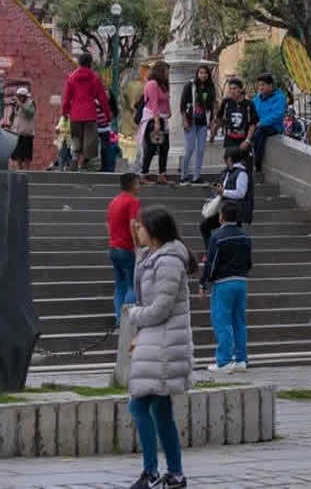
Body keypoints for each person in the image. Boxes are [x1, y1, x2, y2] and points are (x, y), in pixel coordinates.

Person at [125, 207, 194, 489]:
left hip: (165, 343)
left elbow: (161, 307)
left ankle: (153, 471)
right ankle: (173, 474)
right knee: (160, 408)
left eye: (141, 227)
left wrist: (134, 315)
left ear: (154, 231)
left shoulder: (168, 261)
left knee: (139, 404)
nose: (138, 231)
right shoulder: (153, 256)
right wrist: (139, 332)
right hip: (155, 339)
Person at [201, 200, 253, 374]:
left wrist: (203, 281)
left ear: (221, 217)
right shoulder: (245, 236)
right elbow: (249, 262)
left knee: (221, 321)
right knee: (239, 321)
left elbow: (211, 263)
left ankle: (223, 361)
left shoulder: (217, 237)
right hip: (241, 281)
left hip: (223, 283)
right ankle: (241, 360)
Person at [61, 53, 109, 168]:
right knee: (90, 141)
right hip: (90, 114)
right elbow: (102, 98)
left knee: (76, 137)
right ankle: (83, 160)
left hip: (75, 113)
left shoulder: (72, 78)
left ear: (79, 62)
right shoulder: (94, 78)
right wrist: (107, 115)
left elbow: (66, 98)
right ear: (90, 63)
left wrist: (65, 112)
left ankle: (76, 157)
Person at [201, 146, 254, 247]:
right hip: (226, 209)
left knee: (232, 237)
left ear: (229, 159)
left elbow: (241, 193)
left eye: (225, 159)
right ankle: (211, 251)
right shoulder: (228, 172)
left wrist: (223, 192)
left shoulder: (241, 173)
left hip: (235, 212)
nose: (224, 161)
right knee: (205, 226)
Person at [107, 171, 142, 322]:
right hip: (126, 248)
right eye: (138, 182)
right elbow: (132, 223)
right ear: (133, 184)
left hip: (113, 248)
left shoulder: (114, 201)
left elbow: (108, 224)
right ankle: (128, 320)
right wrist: (137, 246)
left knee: (119, 285)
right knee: (131, 285)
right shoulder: (132, 201)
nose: (139, 185)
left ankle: (118, 319)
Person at [178, 64, 216, 185]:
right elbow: (183, 104)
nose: (203, 75)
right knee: (189, 149)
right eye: (200, 73)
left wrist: (212, 121)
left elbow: (212, 105)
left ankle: (196, 176)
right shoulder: (190, 85)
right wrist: (184, 120)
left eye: (205, 73)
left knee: (200, 150)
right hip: (191, 121)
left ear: (208, 75)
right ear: (197, 74)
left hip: (203, 122)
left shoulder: (210, 87)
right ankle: (184, 175)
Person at [138, 62, 172, 184]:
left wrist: (169, 112)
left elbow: (166, 100)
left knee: (164, 147)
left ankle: (162, 174)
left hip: (163, 118)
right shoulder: (152, 84)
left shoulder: (163, 84)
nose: (168, 73)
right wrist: (157, 121)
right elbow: (154, 103)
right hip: (153, 119)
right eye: (166, 71)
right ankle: (143, 174)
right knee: (151, 147)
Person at [250, 73, 289, 174]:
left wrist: (262, 123)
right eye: (259, 85)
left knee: (259, 133)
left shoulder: (280, 97)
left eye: (263, 85)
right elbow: (251, 111)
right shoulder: (257, 98)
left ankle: (257, 163)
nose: (260, 87)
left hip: (274, 127)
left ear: (271, 85)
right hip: (260, 126)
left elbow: (279, 114)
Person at [216, 76, 254, 170]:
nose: (232, 91)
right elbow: (219, 118)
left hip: (243, 139)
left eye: (235, 88)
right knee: (228, 159)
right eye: (230, 89)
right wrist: (215, 130)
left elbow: (253, 124)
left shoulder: (249, 104)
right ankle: (232, 178)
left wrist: (247, 140)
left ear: (241, 89)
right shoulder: (226, 102)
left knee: (246, 166)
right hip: (230, 139)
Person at [7, 85, 38, 171]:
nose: (19, 98)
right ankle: (19, 170)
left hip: (27, 133)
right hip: (17, 133)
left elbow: (30, 113)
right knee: (18, 155)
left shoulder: (30, 103)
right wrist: (13, 109)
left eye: (20, 96)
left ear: (24, 96)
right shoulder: (18, 105)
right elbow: (12, 118)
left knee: (27, 155)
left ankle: (27, 170)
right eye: (18, 96)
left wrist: (21, 105)